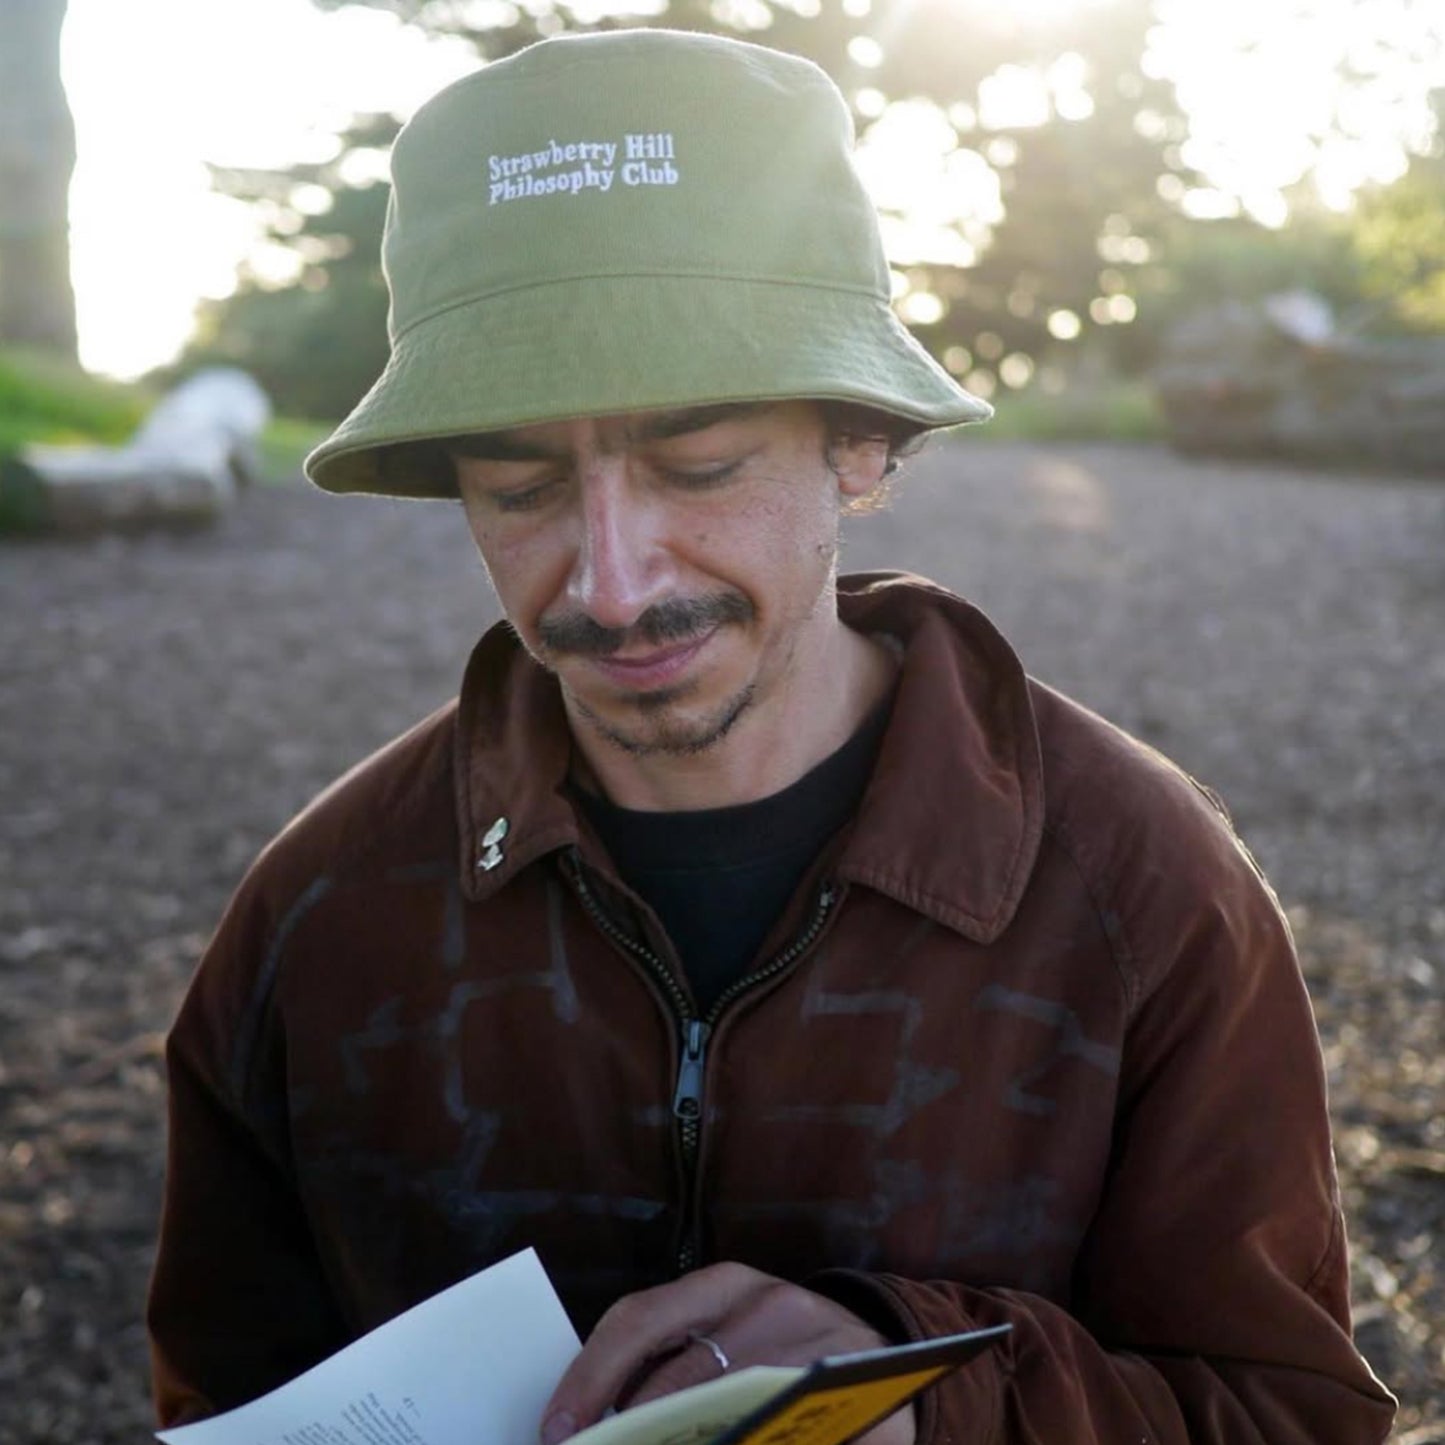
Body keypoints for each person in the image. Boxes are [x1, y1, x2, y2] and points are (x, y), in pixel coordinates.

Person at [147, 28, 1396, 1445]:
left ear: (856, 445)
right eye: (517, 486)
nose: (611, 583)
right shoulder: (319, 920)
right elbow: (225, 1396)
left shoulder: (1141, 890)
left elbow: (1291, 1416)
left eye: (701, 464)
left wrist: (922, 1397)